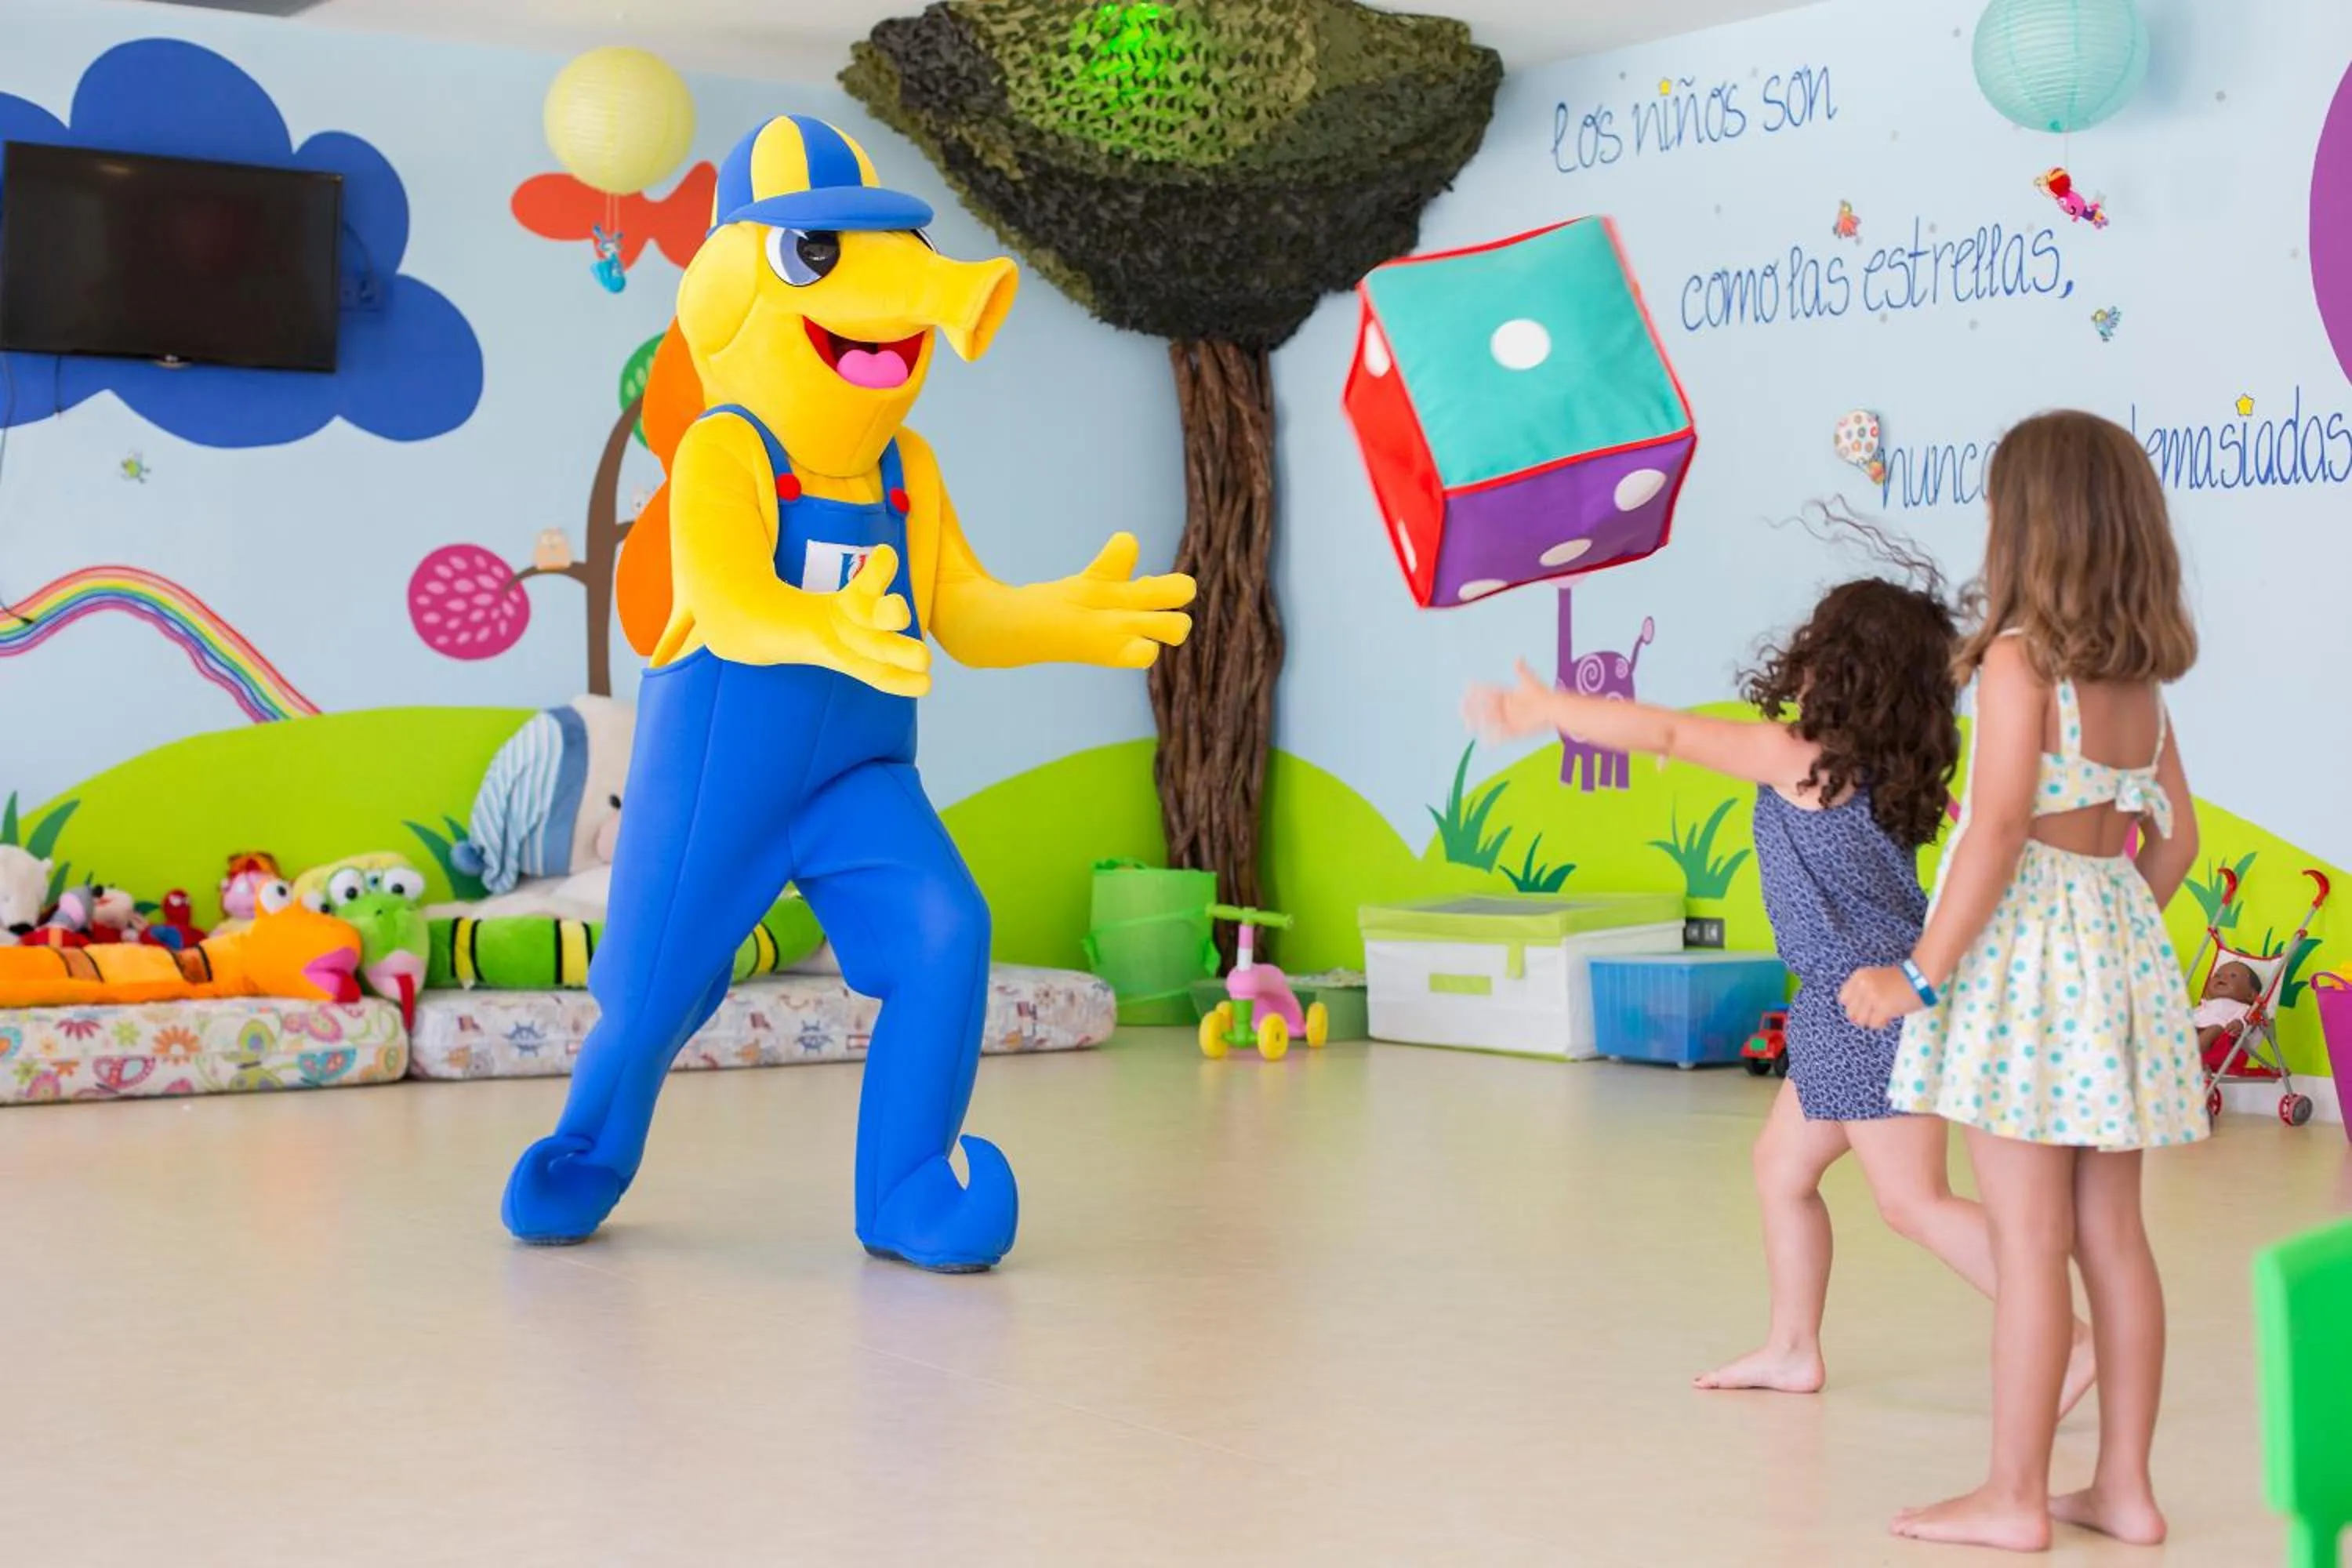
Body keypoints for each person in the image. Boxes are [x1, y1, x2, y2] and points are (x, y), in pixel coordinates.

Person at [1464, 548, 2093, 1409]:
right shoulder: (1888, 772)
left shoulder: (1803, 758)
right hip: (1842, 1005)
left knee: (1913, 1201)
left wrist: (1547, 709)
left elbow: (1670, 734)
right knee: (1781, 1168)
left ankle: (2070, 1339)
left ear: (1830, 665)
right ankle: (1794, 1347)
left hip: (1866, 1007)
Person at [1842, 410, 2204, 1552]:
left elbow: (1997, 832)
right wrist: (2111, 951)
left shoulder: (2019, 660)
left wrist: (1918, 976)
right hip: (2110, 949)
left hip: (2023, 970)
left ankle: (2014, 1495)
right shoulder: (2142, 683)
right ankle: (2126, 1489)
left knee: (2028, 1239)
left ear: (2028, 528)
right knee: (2115, 1238)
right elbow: (2177, 842)